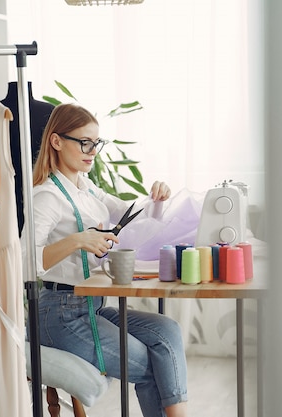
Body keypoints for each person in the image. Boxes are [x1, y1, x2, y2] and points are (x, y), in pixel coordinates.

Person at [25, 103, 188, 417]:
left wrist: (156, 198)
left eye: (96, 143)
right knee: (147, 363)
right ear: (57, 142)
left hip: (91, 306)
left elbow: (130, 214)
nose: (92, 151)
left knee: (166, 330)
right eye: (84, 142)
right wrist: (77, 240)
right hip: (60, 314)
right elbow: (22, 263)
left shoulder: (87, 189)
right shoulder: (46, 197)